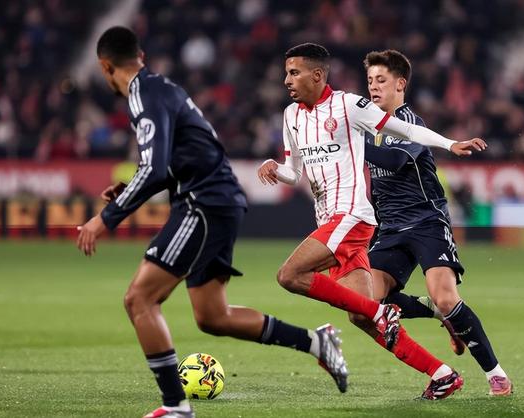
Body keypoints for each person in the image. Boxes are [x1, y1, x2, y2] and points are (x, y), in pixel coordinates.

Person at [77, 28, 349, 418]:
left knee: (139, 299)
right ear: (141, 55)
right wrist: (131, 188)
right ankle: (317, 343)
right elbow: (181, 157)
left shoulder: (142, 94)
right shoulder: (160, 89)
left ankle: (175, 406)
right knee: (212, 316)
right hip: (217, 199)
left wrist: (105, 219)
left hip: (202, 203)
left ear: (105, 67)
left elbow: (155, 168)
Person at [257, 43, 485, 400]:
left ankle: (379, 313)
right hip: (328, 220)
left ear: (317, 75)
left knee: (289, 275)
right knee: (360, 315)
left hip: (351, 216)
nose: (287, 80)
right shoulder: (291, 116)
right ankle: (441, 374)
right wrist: (275, 168)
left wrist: (450, 143)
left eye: (294, 72)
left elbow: (404, 131)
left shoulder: (348, 105)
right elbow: (293, 171)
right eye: (287, 73)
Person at [359, 49, 512, 396]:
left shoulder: (411, 124)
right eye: (369, 81)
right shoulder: (365, 125)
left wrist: (350, 145)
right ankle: (440, 316)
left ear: (400, 84)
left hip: (426, 221)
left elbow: (395, 161)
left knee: (445, 297)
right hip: (390, 228)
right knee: (368, 304)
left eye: (381, 80)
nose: (373, 87)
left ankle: (496, 375)